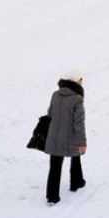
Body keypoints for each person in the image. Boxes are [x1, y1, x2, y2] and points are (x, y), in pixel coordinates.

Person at [44, 70, 87, 205]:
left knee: (54, 167)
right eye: (80, 80)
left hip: (54, 136)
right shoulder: (77, 98)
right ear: (74, 82)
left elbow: (50, 114)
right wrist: (82, 142)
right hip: (71, 136)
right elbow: (78, 123)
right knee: (76, 155)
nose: (82, 82)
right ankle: (75, 183)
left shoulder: (55, 95)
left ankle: (52, 196)